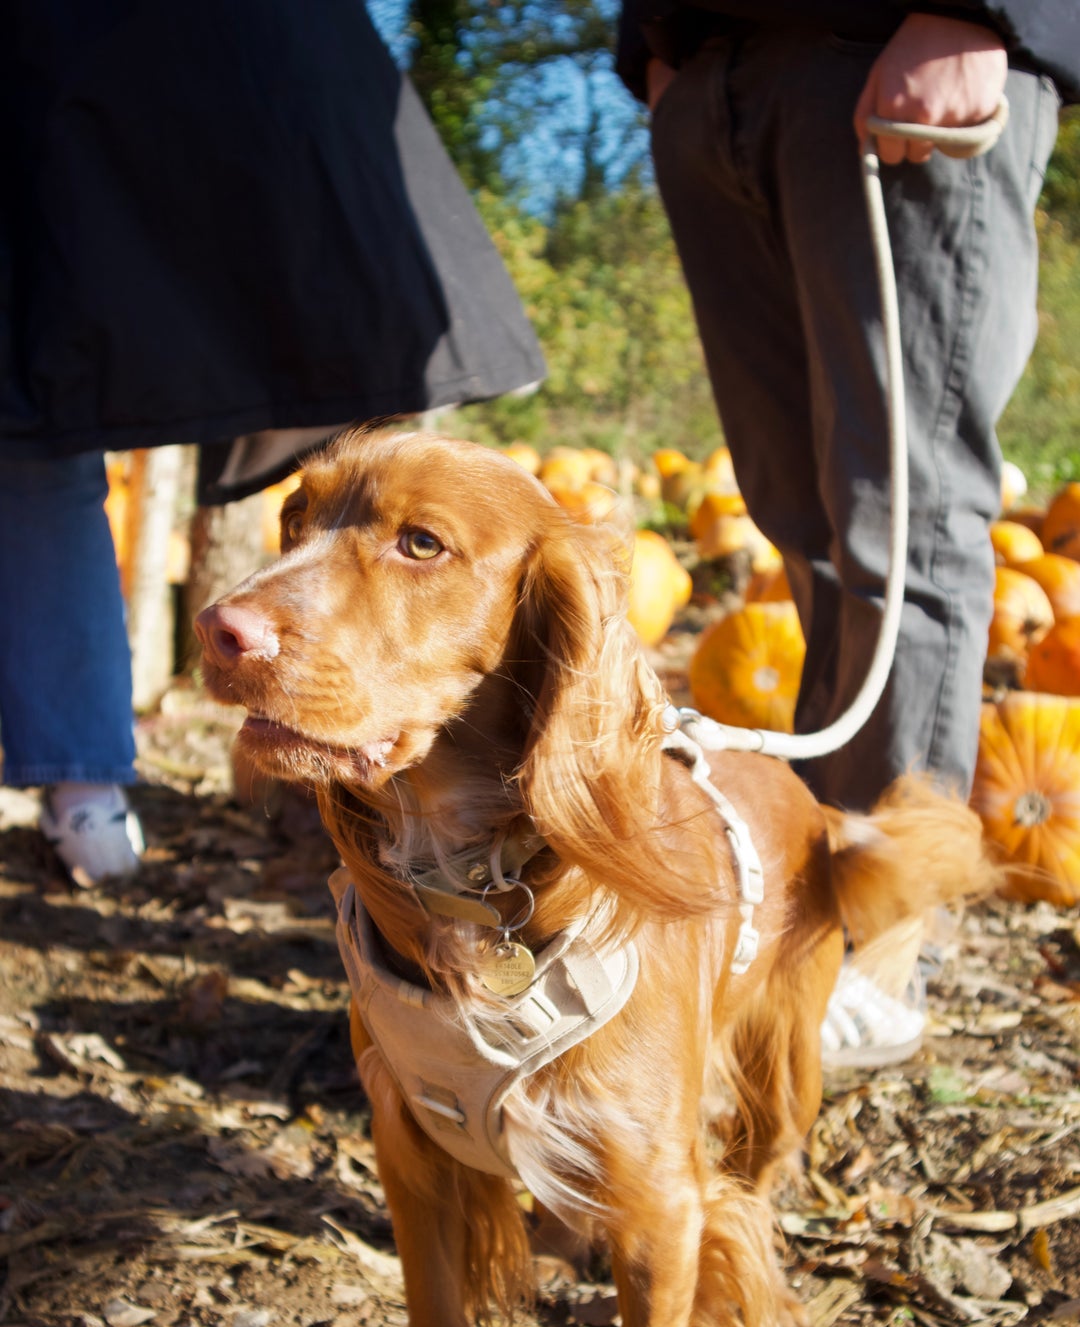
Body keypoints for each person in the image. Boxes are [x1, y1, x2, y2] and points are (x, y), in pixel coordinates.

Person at [616, 2, 1080, 1062]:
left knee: (903, 519)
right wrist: (653, 48)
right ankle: (811, 902)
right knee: (802, 519)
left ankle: (879, 946)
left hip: (886, 44)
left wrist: (985, 7)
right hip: (708, 77)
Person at [1, 0, 544, 885]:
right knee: (30, 397)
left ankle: (359, 776)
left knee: (320, 342)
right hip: (63, 69)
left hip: (231, 60)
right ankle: (99, 778)